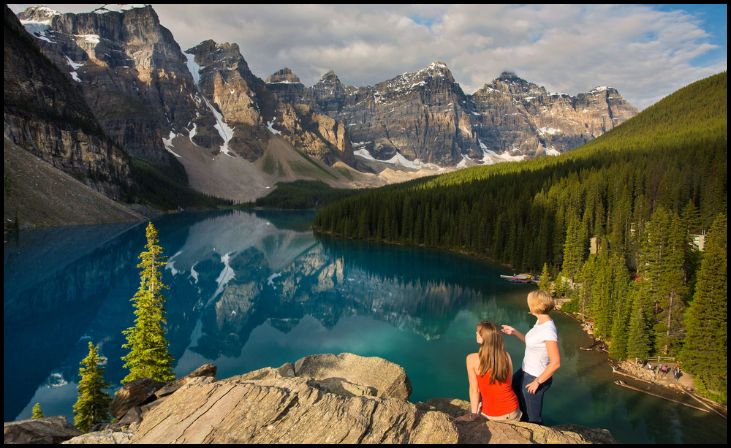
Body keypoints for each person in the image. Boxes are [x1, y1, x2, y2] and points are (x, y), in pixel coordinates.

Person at [501, 290, 560, 425]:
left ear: (534, 306)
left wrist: (537, 382)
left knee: (533, 417)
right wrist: (515, 332)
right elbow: (533, 342)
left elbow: (555, 362)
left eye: (529, 302)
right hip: (525, 370)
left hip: (535, 376)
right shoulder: (540, 322)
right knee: (512, 395)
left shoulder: (548, 330)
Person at [455, 321, 522, 422]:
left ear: (484, 337)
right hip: (513, 411)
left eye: (478, 332)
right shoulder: (506, 356)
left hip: (493, 415)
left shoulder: (472, 359)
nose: (476, 333)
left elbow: (475, 390)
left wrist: (473, 415)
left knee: (467, 411)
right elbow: (508, 384)